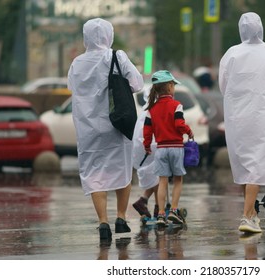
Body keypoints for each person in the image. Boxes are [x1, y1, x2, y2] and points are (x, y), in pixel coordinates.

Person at [68, 18, 144, 242]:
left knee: (94, 174)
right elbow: (137, 84)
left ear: (86, 37)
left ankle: (103, 223)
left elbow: (73, 87)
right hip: (116, 123)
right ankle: (121, 217)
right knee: (122, 170)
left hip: (88, 127)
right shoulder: (116, 57)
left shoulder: (77, 63)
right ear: (108, 35)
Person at [218, 12, 265, 233]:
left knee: (244, 166)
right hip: (262, 116)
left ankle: (252, 213)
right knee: (256, 167)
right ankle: (246, 217)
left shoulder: (231, 54)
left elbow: (223, 85)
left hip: (237, 118)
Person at [143, 70, 194, 227]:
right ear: (170, 86)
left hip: (161, 149)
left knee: (162, 182)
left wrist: (146, 145)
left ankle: (160, 214)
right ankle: (173, 210)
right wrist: (188, 131)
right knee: (178, 180)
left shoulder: (152, 108)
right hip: (176, 148)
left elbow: (147, 131)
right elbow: (179, 124)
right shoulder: (176, 105)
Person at [132, 87, 159, 219]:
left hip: (146, 149)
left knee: (155, 178)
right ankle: (159, 209)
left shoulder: (144, 111)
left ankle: (143, 201)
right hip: (150, 149)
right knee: (160, 177)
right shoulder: (152, 112)